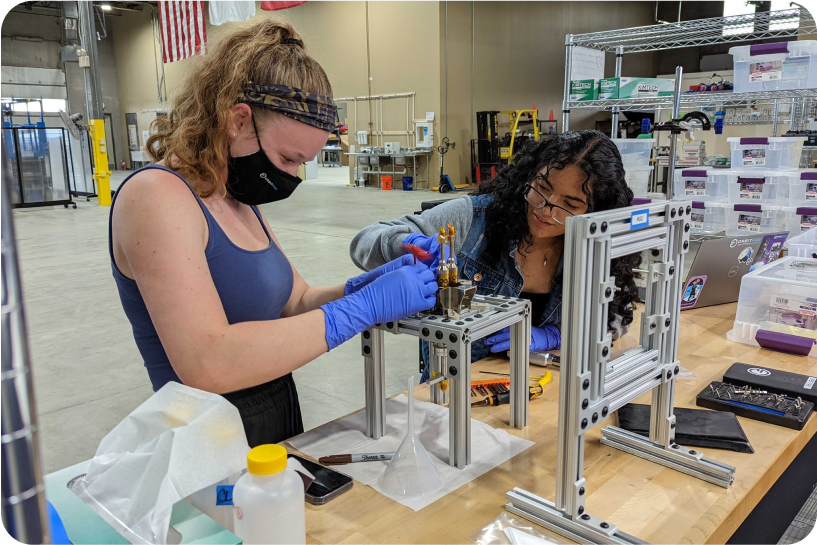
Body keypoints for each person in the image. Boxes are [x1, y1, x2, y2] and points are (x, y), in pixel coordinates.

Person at [109, 20, 437, 447]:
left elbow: (294, 303)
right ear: (238, 120)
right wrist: (361, 310)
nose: (293, 177)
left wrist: (365, 286)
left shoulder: (237, 197)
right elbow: (208, 363)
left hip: (275, 413)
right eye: (286, 158)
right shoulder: (157, 197)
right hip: (205, 442)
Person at [350, 131, 641, 380]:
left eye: (569, 204)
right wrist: (406, 244)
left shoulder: (595, 244)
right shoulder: (474, 217)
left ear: (595, 212)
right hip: (456, 386)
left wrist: (553, 336)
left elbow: (615, 321)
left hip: (545, 384)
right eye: (542, 188)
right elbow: (363, 242)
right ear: (529, 176)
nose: (544, 209)